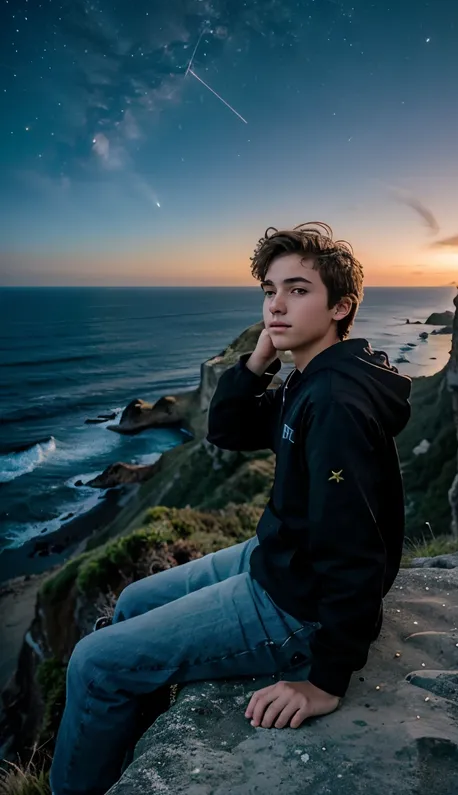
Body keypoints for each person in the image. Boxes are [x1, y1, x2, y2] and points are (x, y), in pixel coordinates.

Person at [49, 222, 411, 795]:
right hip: (276, 560)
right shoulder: (309, 376)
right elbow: (228, 429)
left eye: (298, 290)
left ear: (342, 305)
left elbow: (355, 548)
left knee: (93, 664)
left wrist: (325, 680)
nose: (276, 305)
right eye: (270, 291)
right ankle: (120, 745)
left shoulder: (337, 403)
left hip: (297, 605)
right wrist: (260, 357)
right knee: (132, 600)